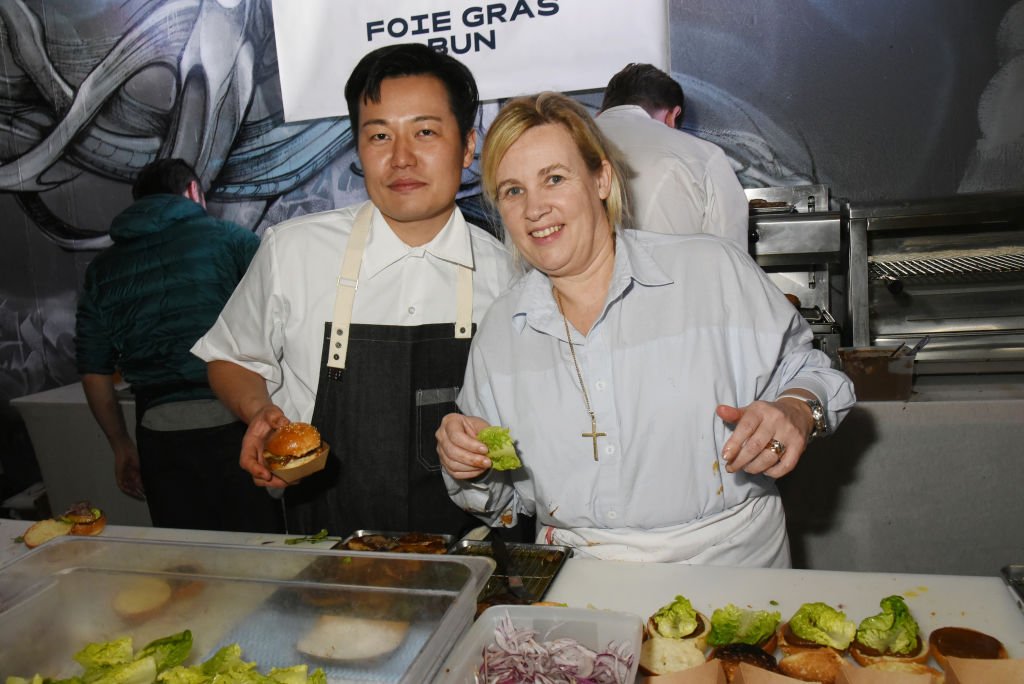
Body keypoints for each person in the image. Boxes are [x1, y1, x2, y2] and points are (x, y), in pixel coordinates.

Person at [436, 92, 855, 567]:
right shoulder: (500, 333)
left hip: (732, 569)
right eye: (513, 191)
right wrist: (467, 463)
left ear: (601, 178)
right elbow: (503, 505)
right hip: (579, 579)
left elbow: (815, 372)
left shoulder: (711, 271)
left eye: (554, 178)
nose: (535, 208)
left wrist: (797, 410)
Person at [191, 43, 517, 538]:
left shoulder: (506, 274)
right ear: (358, 150)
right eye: (379, 136)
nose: (401, 158)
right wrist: (260, 412)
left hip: (467, 547)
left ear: (468, 145)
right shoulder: (292, 250)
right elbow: (231, 357)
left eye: (425, 132)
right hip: (326, 545)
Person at [76, 158, 284, 532]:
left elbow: (93, 370)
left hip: (158, 432)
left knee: (187, 562)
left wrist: (121, 445)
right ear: (193, 192)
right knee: (259, 552)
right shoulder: (231, 240)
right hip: (236, 419)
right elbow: (283, 321)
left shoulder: (102, 269)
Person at [596, 63, 750, 247]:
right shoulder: (706, 156)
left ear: (600, 113)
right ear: (672, 116)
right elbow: (731, 256)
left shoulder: (568, 145)